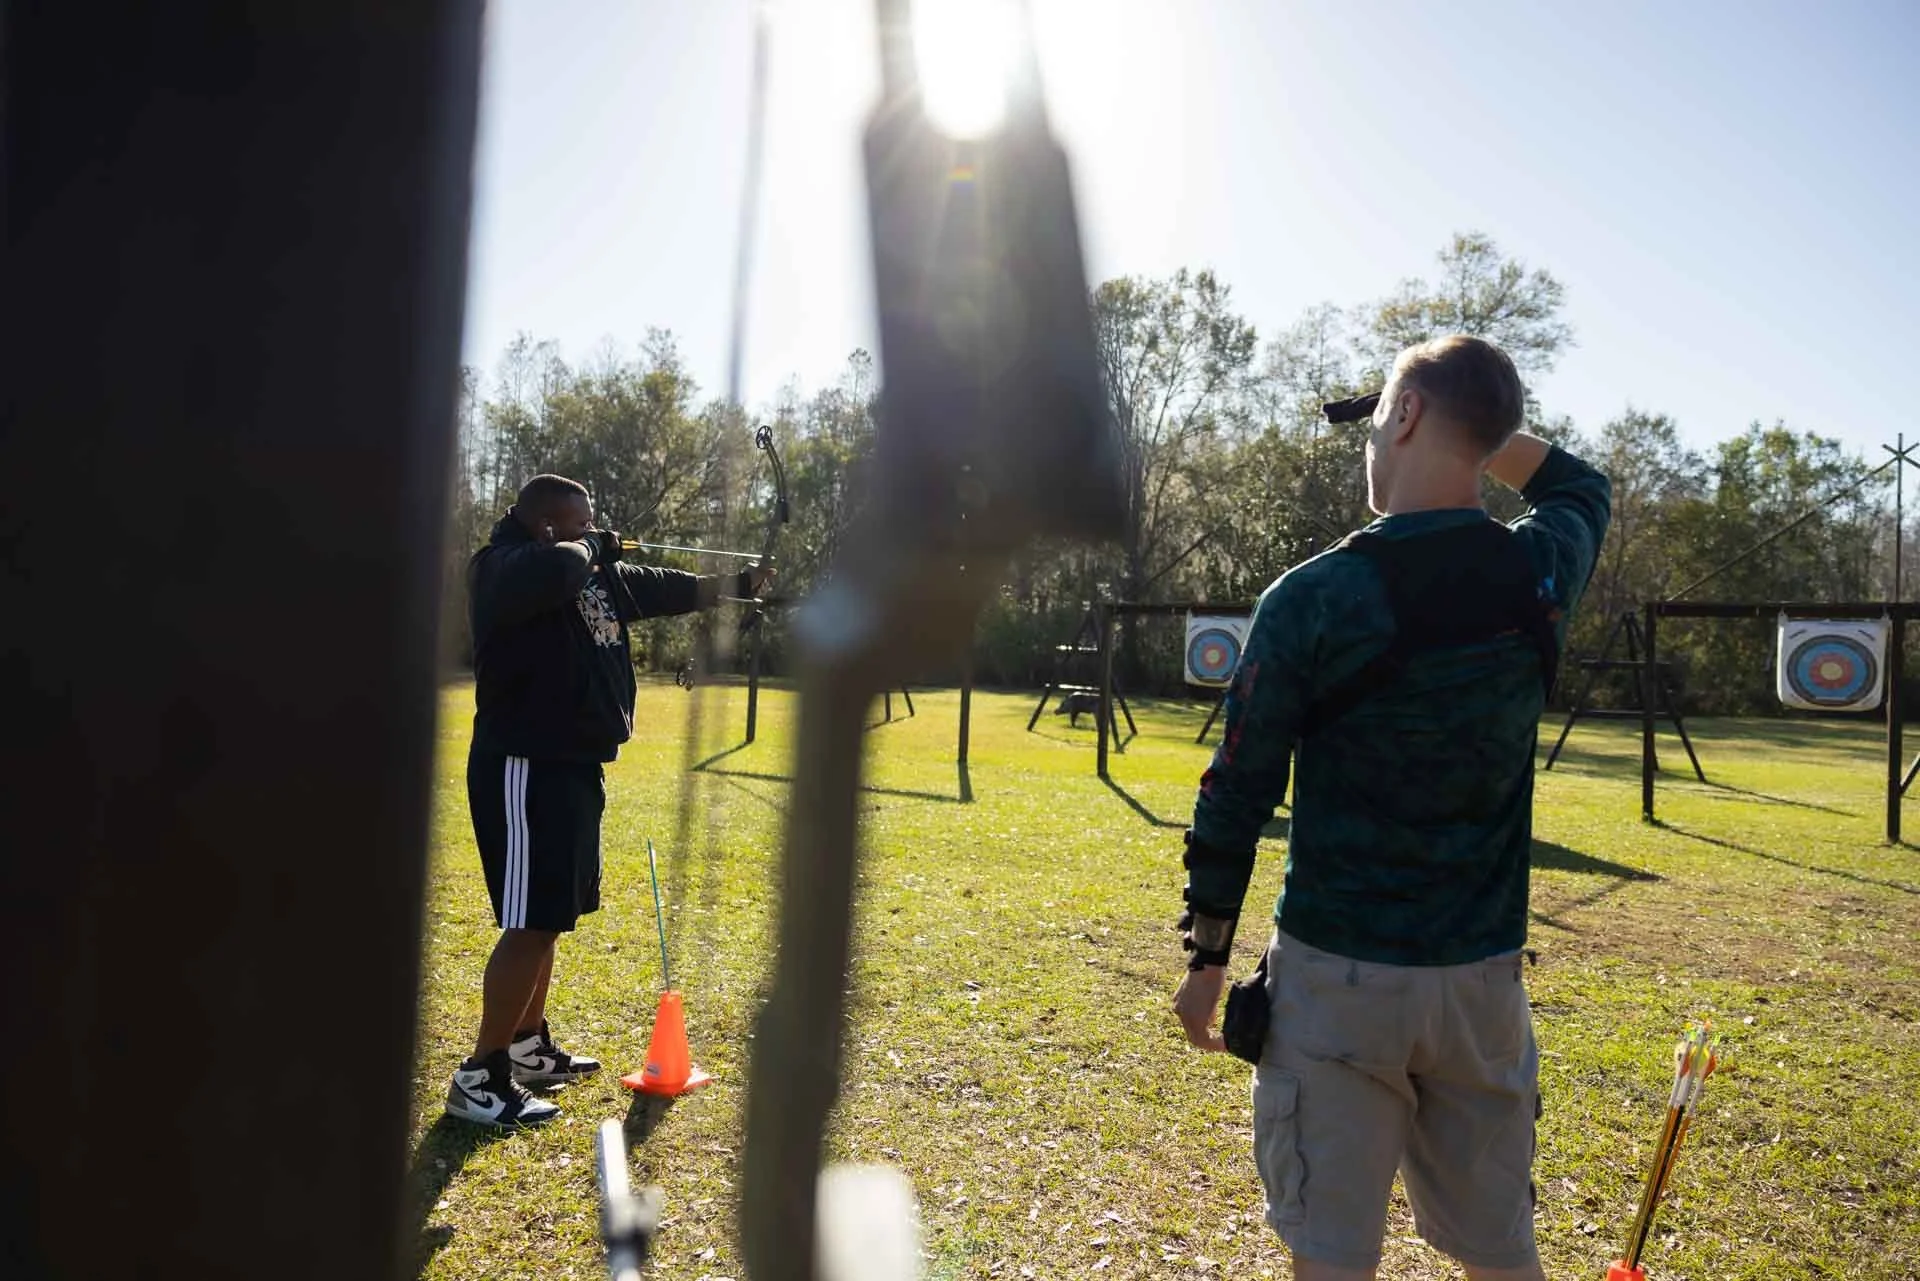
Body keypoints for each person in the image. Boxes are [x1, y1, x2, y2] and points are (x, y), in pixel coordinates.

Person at [1170, 335, 1612, 1280]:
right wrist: (1475, 426)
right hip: (1482, 985)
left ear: (1406, 417)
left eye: (1380, 419)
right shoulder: (1539, 570)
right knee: (1502, 1253)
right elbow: (1580, 486)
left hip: (1338, 984)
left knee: (1332, 1258)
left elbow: (1239, 785)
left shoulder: (1314, 596)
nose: (1371, 439)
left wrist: (1208, 957)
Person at [445, 473, 772, 1128]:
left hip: (572, 763)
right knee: (531, 920)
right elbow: (566, 566)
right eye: (582, 521)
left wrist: (733, 586)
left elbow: (656, 585)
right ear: (546, 525)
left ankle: (529, 1046)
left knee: (552, 916)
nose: (594, 530)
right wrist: (595, 545)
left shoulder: (589, 568)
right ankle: (479, 1076)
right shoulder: (503, 567)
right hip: (525, 763)